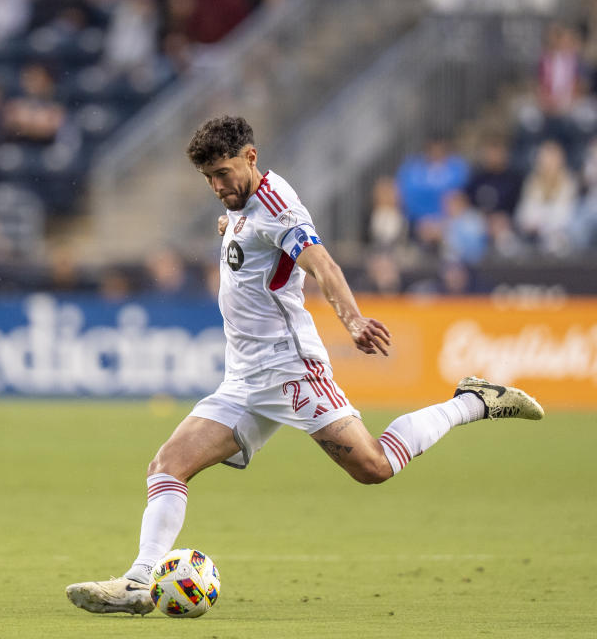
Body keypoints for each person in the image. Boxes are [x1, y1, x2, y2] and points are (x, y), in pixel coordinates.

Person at [65, 116, 544, 615]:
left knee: (374, 467)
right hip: (243, 378)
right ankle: (139, 583)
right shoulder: (243, 206)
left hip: (291, 371)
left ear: (250, 157)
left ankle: (472, 401)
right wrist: (231, 223)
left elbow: (322, 263)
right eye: (208, 178)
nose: (217, 186)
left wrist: (352, 320)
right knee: (167, 465)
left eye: (224, 173)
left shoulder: (278, 208)